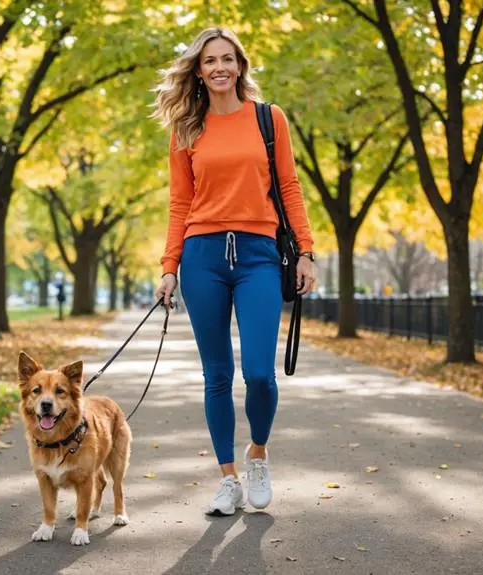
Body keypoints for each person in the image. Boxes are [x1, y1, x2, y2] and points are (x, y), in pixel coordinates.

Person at [151, 27, 316, 516]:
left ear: (240, 66)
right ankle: (227, 479)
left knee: (261, 375)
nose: (219, 67)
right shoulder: (185, 129)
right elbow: (180, 202)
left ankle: (258, 454)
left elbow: (289, 185)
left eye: (227, 59)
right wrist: (169, 267)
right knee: (217, 375)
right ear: (198, 72)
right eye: (209, 61)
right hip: (202, 257)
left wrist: (305, 250)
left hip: (258, 255)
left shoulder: (269, 119)